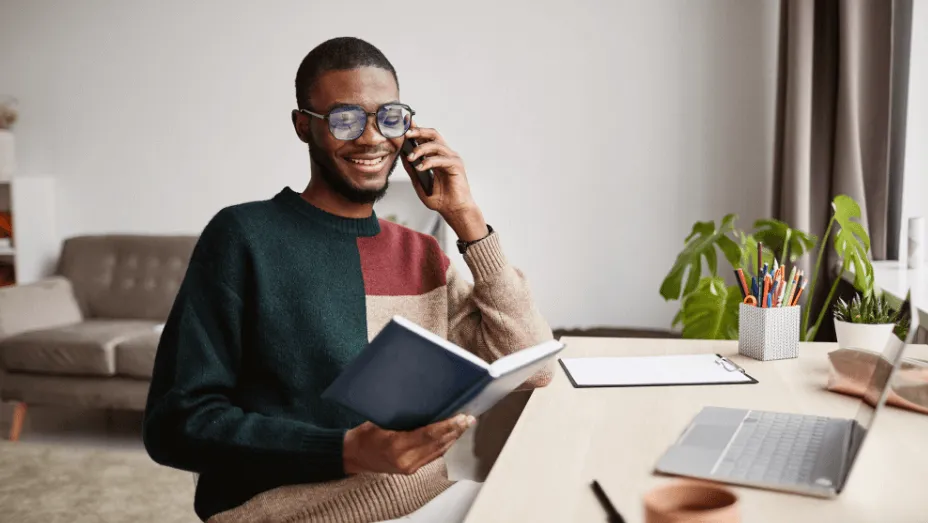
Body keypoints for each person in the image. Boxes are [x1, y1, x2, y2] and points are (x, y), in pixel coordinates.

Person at [142, 36, 553, 523]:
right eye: (345, 119)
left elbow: (532, 367)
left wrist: (468, 221)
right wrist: (346, 451)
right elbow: (175, 425)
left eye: (390, 117)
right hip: (294, 512)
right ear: (303, 126)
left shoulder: (422, 254)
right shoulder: (243, 237)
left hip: (425, 500)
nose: (372, 137)